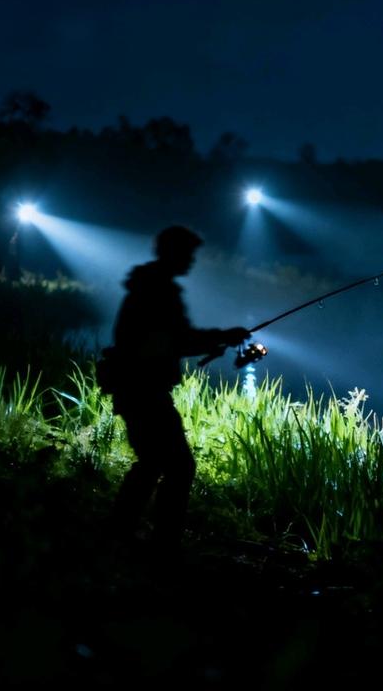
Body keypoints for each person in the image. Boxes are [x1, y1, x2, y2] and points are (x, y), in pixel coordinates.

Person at [106, 225, 249, 552]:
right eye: (188, 253)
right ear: (172, 252)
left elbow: (173, 340)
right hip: (144, 389)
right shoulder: (158, 290)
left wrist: (217, 339)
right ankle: (161, 545)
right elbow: (178, 339)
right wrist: (223, 335)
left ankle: (122, 532)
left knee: (153, 463)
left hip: (136, 387)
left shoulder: (148, 285)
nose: (192, 260)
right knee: (178, 466)